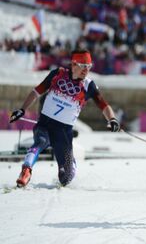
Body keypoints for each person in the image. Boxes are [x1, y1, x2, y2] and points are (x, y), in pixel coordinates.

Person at [9, 49, 120, 187]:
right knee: (39, 143)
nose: (86, 70)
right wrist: (22, 109)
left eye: (89, 66)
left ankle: (64, 167)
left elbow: (104, 105)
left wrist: (112, 119)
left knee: (66, 178)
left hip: (63, 134)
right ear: (73, 64)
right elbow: (36, 91)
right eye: (83, 65)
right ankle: (26, 170)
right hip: (45, 124)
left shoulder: (88, 85)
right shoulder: (57, 74)